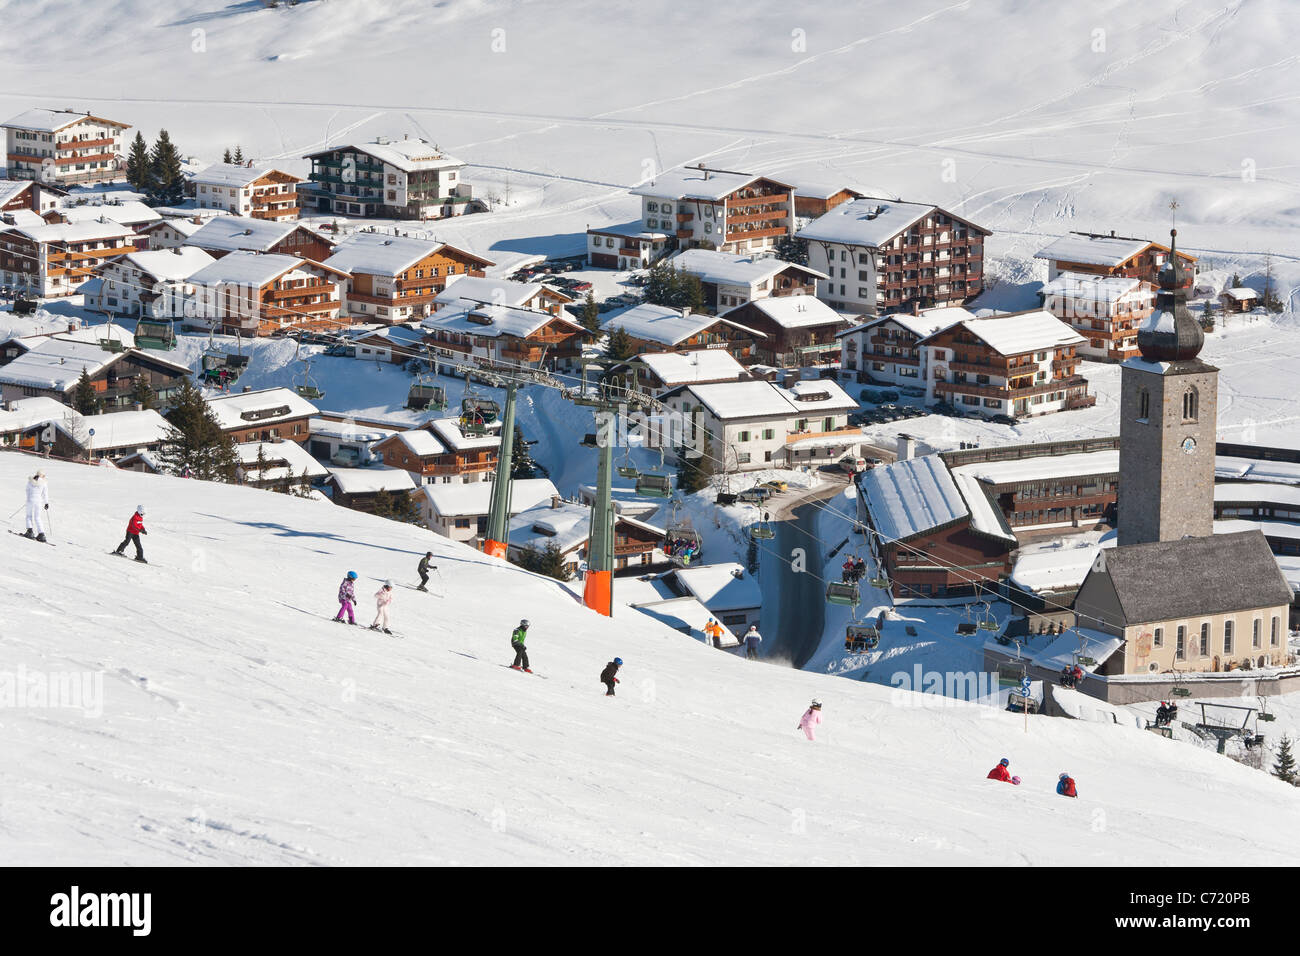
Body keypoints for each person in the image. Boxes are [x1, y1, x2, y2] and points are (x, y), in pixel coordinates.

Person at [24, 469, 49, 542]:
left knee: (29, 516)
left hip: (30, 501)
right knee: (38, 517)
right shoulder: (44, 483)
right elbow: (45, 494)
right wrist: (46, 503)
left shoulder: (31, 480)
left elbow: (27, 490)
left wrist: (29, 498)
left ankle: (30, 532)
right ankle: (41, 534)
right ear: (42, 475)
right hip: (38, 502)